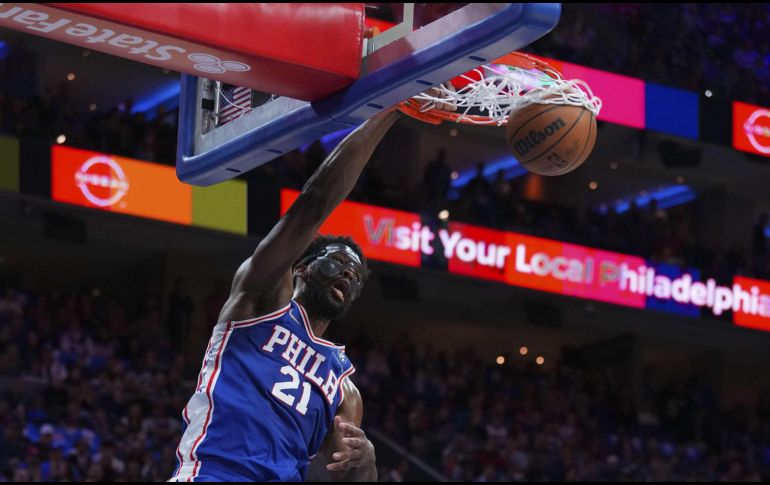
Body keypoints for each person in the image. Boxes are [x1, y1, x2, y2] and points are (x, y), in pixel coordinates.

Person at [169, 110, 400, 482]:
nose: (347, 272)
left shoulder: (344, 388)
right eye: (338, 261)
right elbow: (315, 201)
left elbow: (347, 475)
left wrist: (367, 462)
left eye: (355, 274)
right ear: (302, 268)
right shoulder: (260, 301)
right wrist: (390, 109)